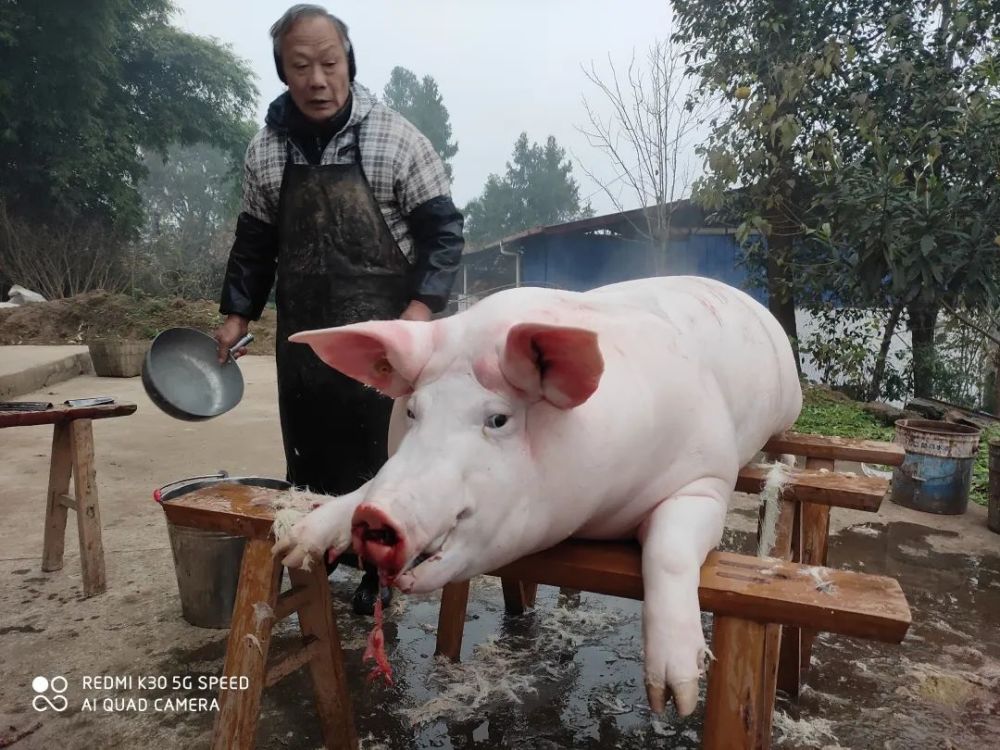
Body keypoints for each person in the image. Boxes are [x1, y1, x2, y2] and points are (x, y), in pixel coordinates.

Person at [214, 4, 464, 615]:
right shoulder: (266, 151)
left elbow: (443, 235)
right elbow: (255, 243)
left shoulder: (396, 139)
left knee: (385, 459)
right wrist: (237, 313)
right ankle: (320, 555)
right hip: (305, 338)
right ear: (283, 71)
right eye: (302, 66)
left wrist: (421, 309)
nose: (318, 79)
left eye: (329, 63)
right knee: (311, 455)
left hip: (385, 338)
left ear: (349, 63)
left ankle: (381, 575)